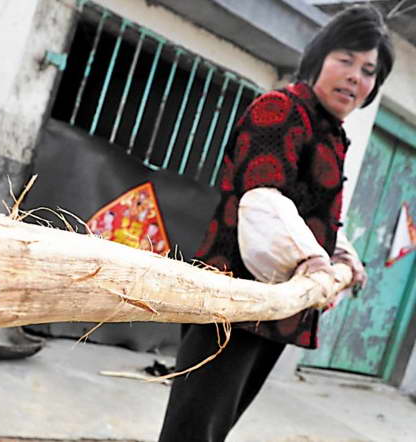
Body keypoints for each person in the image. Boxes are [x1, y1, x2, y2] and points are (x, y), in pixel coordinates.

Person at [158, 5, 394, 441]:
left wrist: (340, 254)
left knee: (213, 429)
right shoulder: (281, 108)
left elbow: (317, 213)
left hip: (276, 307)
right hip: (234, 301)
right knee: (193, 432)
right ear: (319, 57)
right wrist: (309, 261)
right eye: (345, 60)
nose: (355, 77)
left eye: (368, 70)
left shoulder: (329, 129)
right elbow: (263, 200)